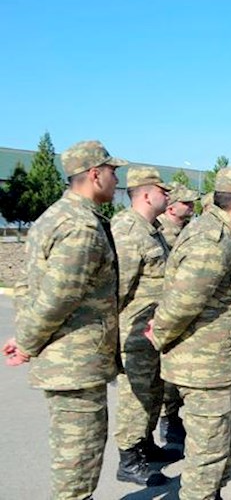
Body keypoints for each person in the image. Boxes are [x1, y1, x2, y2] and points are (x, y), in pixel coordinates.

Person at [3, 140, 127, 500]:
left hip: (69, 358)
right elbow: (58, 296)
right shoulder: (80, 227)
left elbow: (27, 286)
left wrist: (25, 334)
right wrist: (27, 343)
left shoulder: (56, 216)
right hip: (75, 362)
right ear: (95, 174)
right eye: (112, 172)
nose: (117, 180)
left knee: (76, 453)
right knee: (79, 457)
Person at [147, 166, 231, 498]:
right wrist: (159, 336)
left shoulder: (229, 236)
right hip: (205, 369)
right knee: (208, 455)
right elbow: (182, 303)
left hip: (226, 365)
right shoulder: (212, 240)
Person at [111, 166, 177, 486]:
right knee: (135, 396)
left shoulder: (153, 229)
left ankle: (145, 443)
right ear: (147, 194)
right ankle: (129, 458)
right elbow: (117, 289)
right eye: (163, 191)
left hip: (152, 330)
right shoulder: (128, 229)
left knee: (153, 392)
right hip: (133, 330)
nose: (168, 197)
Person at [156, 182, 201, 444]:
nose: (191, 206)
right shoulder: (161, 232)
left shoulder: (188, 230)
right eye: (186, 202)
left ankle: (173, 420)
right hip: (163, 312)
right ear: (171, 207)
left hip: (180, 312)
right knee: (163, 379)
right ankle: (167, 421)